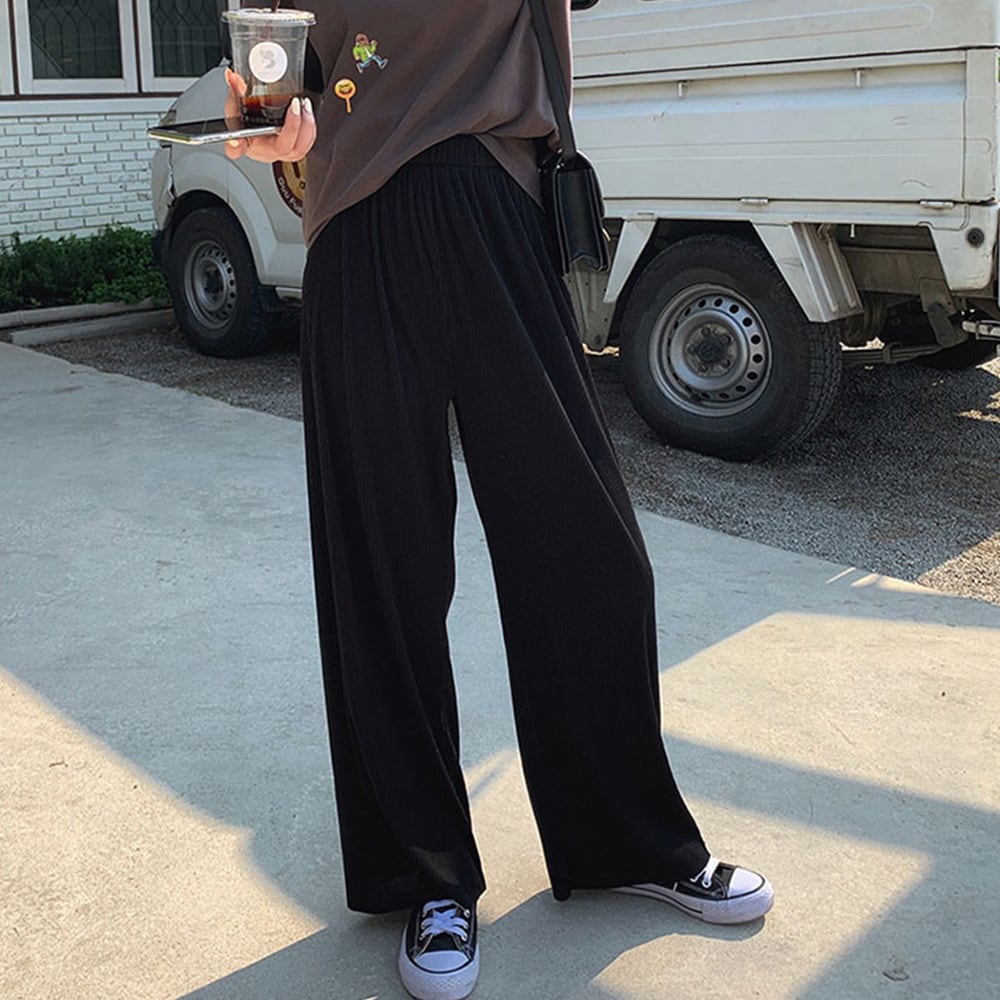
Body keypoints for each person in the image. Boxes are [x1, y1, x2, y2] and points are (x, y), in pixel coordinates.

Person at [224, 2, 773, 998]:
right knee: (384, 565)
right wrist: (278, 134)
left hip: (495, 202)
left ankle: (626, 838)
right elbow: (288, 71)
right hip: (355, 223)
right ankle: (426, 874)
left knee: (588, 549)